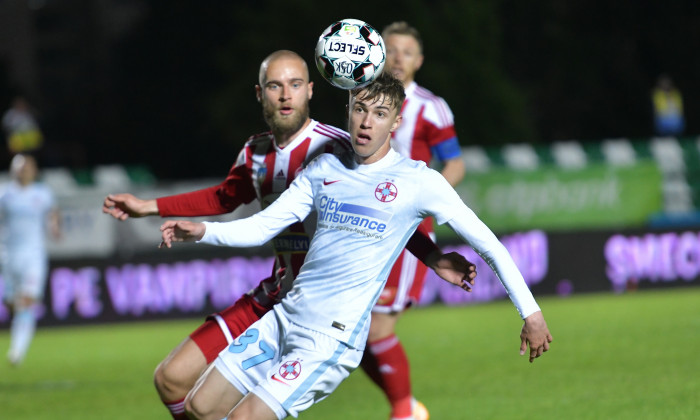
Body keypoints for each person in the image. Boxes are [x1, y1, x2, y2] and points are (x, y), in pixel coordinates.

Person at [102, 50, 475, 420]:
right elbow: (223, 198)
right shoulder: (256, 152)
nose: (285, 95)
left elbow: (385, 209)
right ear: (260, 93)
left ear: (310, 90)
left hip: (317, 307)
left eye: (294, 85)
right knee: (171, 380)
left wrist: (431, 257)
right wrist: (148, 206)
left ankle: (404, 409)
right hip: (274, 294)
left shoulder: (336, 147)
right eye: (275, 86)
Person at [159, 72, 553, 420]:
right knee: (200, 407)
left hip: (329, 339)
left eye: (380, 114)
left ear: (396, 122)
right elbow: (262, 227)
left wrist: (531, 315)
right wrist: (203, 231)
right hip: (284, 318)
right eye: (360, 109)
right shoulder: (324, 169)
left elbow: (489, 245)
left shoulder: (419, 181)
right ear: (348, 109)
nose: (366, 123)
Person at [358, 21, 467, 420]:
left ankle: (404, 411)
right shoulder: (361, 99)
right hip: (360, 226)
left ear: (419, 61)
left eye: (407, 51)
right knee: (349, 335)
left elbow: (455, 163)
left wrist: (426, 199)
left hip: (406, 230)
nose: (398, 57)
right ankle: (407, 407)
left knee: (378, 329)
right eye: (391, 49)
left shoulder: (430, 107)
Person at [0, 154, 60, 366]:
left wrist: (54, 226)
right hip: (7, 255)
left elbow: (53, 212)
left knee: (27, 300)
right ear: (12, 170)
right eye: (19, 168)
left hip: (33, 254)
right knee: (12, 303)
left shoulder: (42, 193)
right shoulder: (4, 193)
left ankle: (17, 351)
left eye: (27, 168)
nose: (23, 171)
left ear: (34, 171)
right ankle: (19, 332)